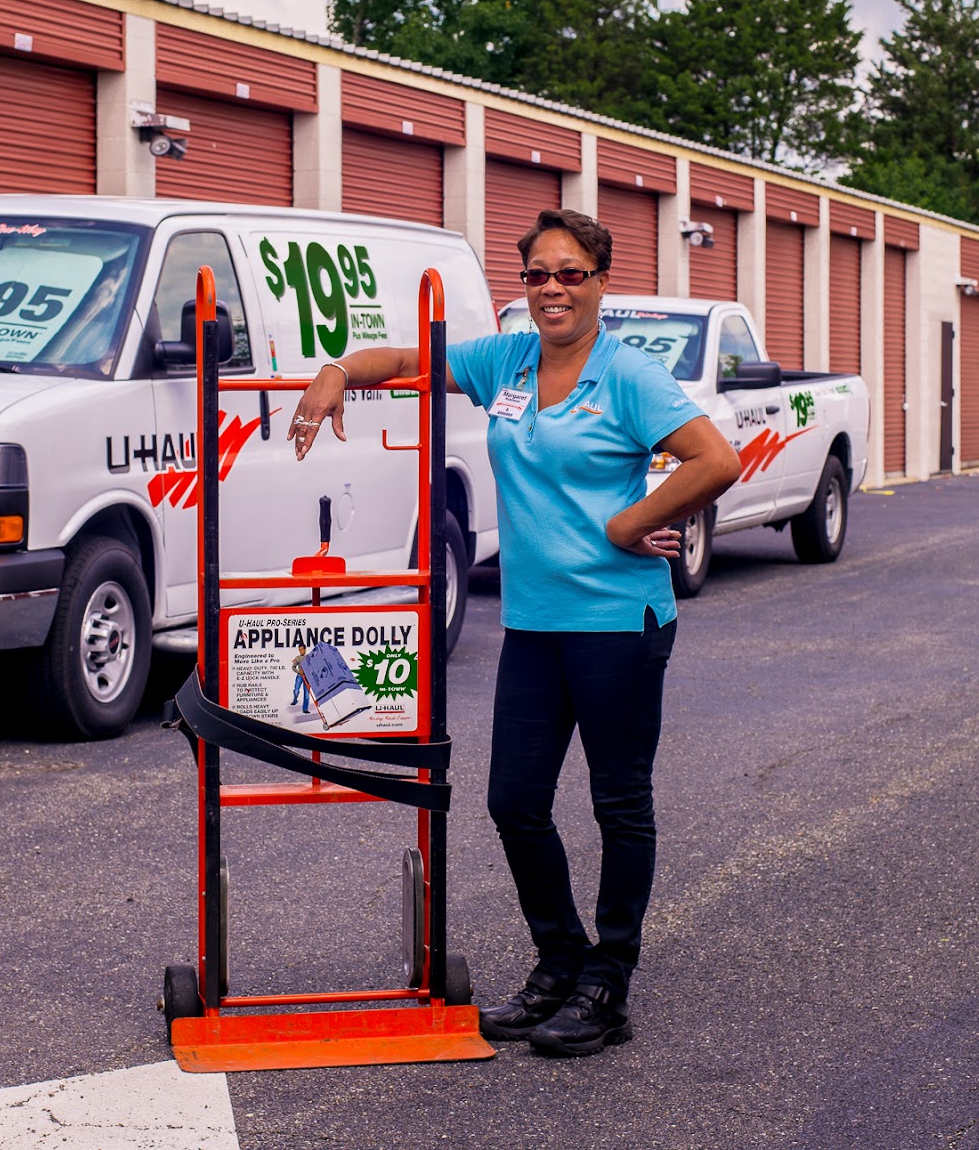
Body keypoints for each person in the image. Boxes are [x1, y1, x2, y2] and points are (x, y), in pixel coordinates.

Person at [288, 207, 743, 1056]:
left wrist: (626, 522)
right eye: (538, 274)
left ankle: (607, 982)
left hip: (619, 621)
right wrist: (334, 373)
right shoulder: (507, 358)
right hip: (534, 622)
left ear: (601, 281)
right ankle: (557, 962)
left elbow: (716, 460)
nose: (553, 289)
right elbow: (402, 360)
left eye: (571, 273)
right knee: (514, 801)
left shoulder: (630, 376)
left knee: (619, 803)